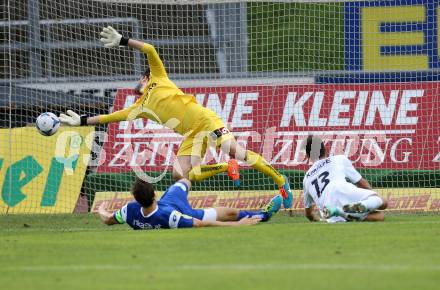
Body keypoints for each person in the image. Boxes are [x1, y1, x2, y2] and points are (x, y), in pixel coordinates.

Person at [60, 26, 293, 209]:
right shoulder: (140, 107)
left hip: (205, 120)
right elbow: (111, 117)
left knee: (236, 151)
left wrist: (123, 41)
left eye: (140, 80)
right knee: (178, 175)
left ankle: (282, 183)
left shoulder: (158, 77)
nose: (137, 84)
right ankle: (225, 167)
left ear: (145, 77)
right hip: (192, 133)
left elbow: (149, 49)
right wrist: (80, 121)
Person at [97, 178, 282, 230]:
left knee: (185, 181)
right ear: (155, 194)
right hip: (182, 210)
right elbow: (200, 224)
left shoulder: (129, 211)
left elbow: (107, 219)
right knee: (232, 213)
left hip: (168, 202)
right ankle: (263, 215)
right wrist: (237, 225)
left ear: (136, 200)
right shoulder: (170, 217)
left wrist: (101, 208)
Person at [302, 135, 388, 223]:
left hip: (329, 210)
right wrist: (371, 195)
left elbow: (308, 213)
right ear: (324, 149)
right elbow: (361, 183)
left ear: (308, 155)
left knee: (379, 216)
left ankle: (341, 213)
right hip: (343, 189)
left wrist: (318, 220)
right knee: (383, 202)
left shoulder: (306, 178)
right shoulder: (339, 159)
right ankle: (354, 209)